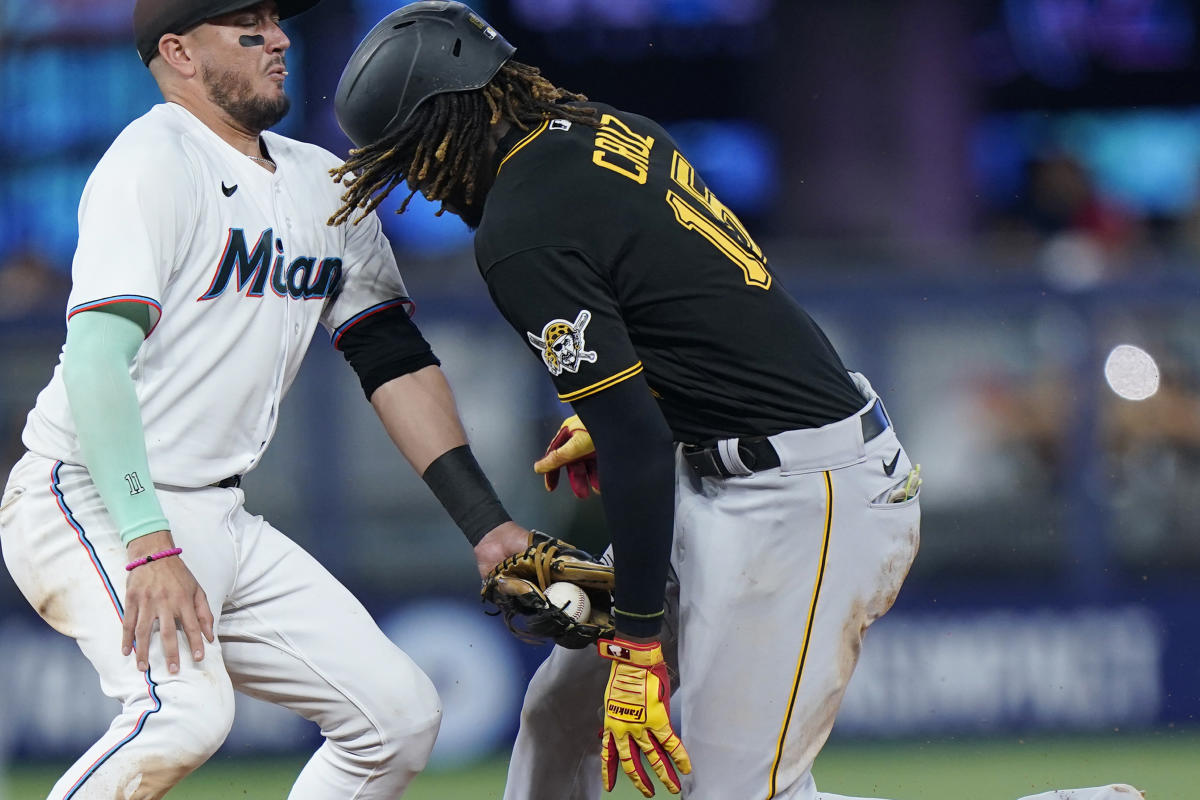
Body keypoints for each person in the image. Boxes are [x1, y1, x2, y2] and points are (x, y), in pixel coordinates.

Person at [328, 5, 1141, 800]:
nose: (420, 186)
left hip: (801, 496)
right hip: (734, 464)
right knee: (558, 716)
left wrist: (639, 644)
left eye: (411, 156)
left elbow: (636, 446)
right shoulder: (604, 129)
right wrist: (635, 413)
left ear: (449, 117)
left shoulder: (519, 228)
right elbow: (696, 313)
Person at [0, 1, 532, 797]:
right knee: (183, 714)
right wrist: (147, 540)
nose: (279, 39)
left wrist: (485, 524)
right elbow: (95, 362)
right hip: (94, 496)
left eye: (276, 23)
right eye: (248, 29)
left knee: (398, 718)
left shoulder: (321, 179)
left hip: (217, 513)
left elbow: (392, 357)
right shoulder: (150, 162)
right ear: (179, 52)